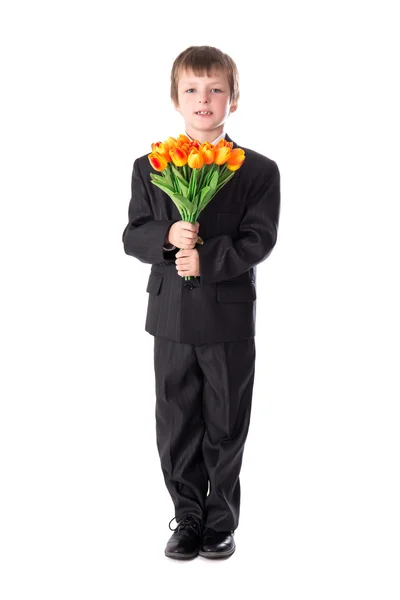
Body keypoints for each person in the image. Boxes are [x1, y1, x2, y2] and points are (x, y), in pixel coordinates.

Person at [122, 45, 281, 560]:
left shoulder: (257, 170)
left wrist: (208, 260)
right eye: (192, 89)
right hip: (169, 314)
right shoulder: (150, 166)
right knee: (176, 420)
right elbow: (133, 234)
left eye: (216, 89)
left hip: (228, 318)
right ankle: (187, 516)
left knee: (227, 419)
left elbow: (259, 239)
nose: (204, 99)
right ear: (175, 98)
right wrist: (169, 236)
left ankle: (221, 522)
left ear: (233, 98)